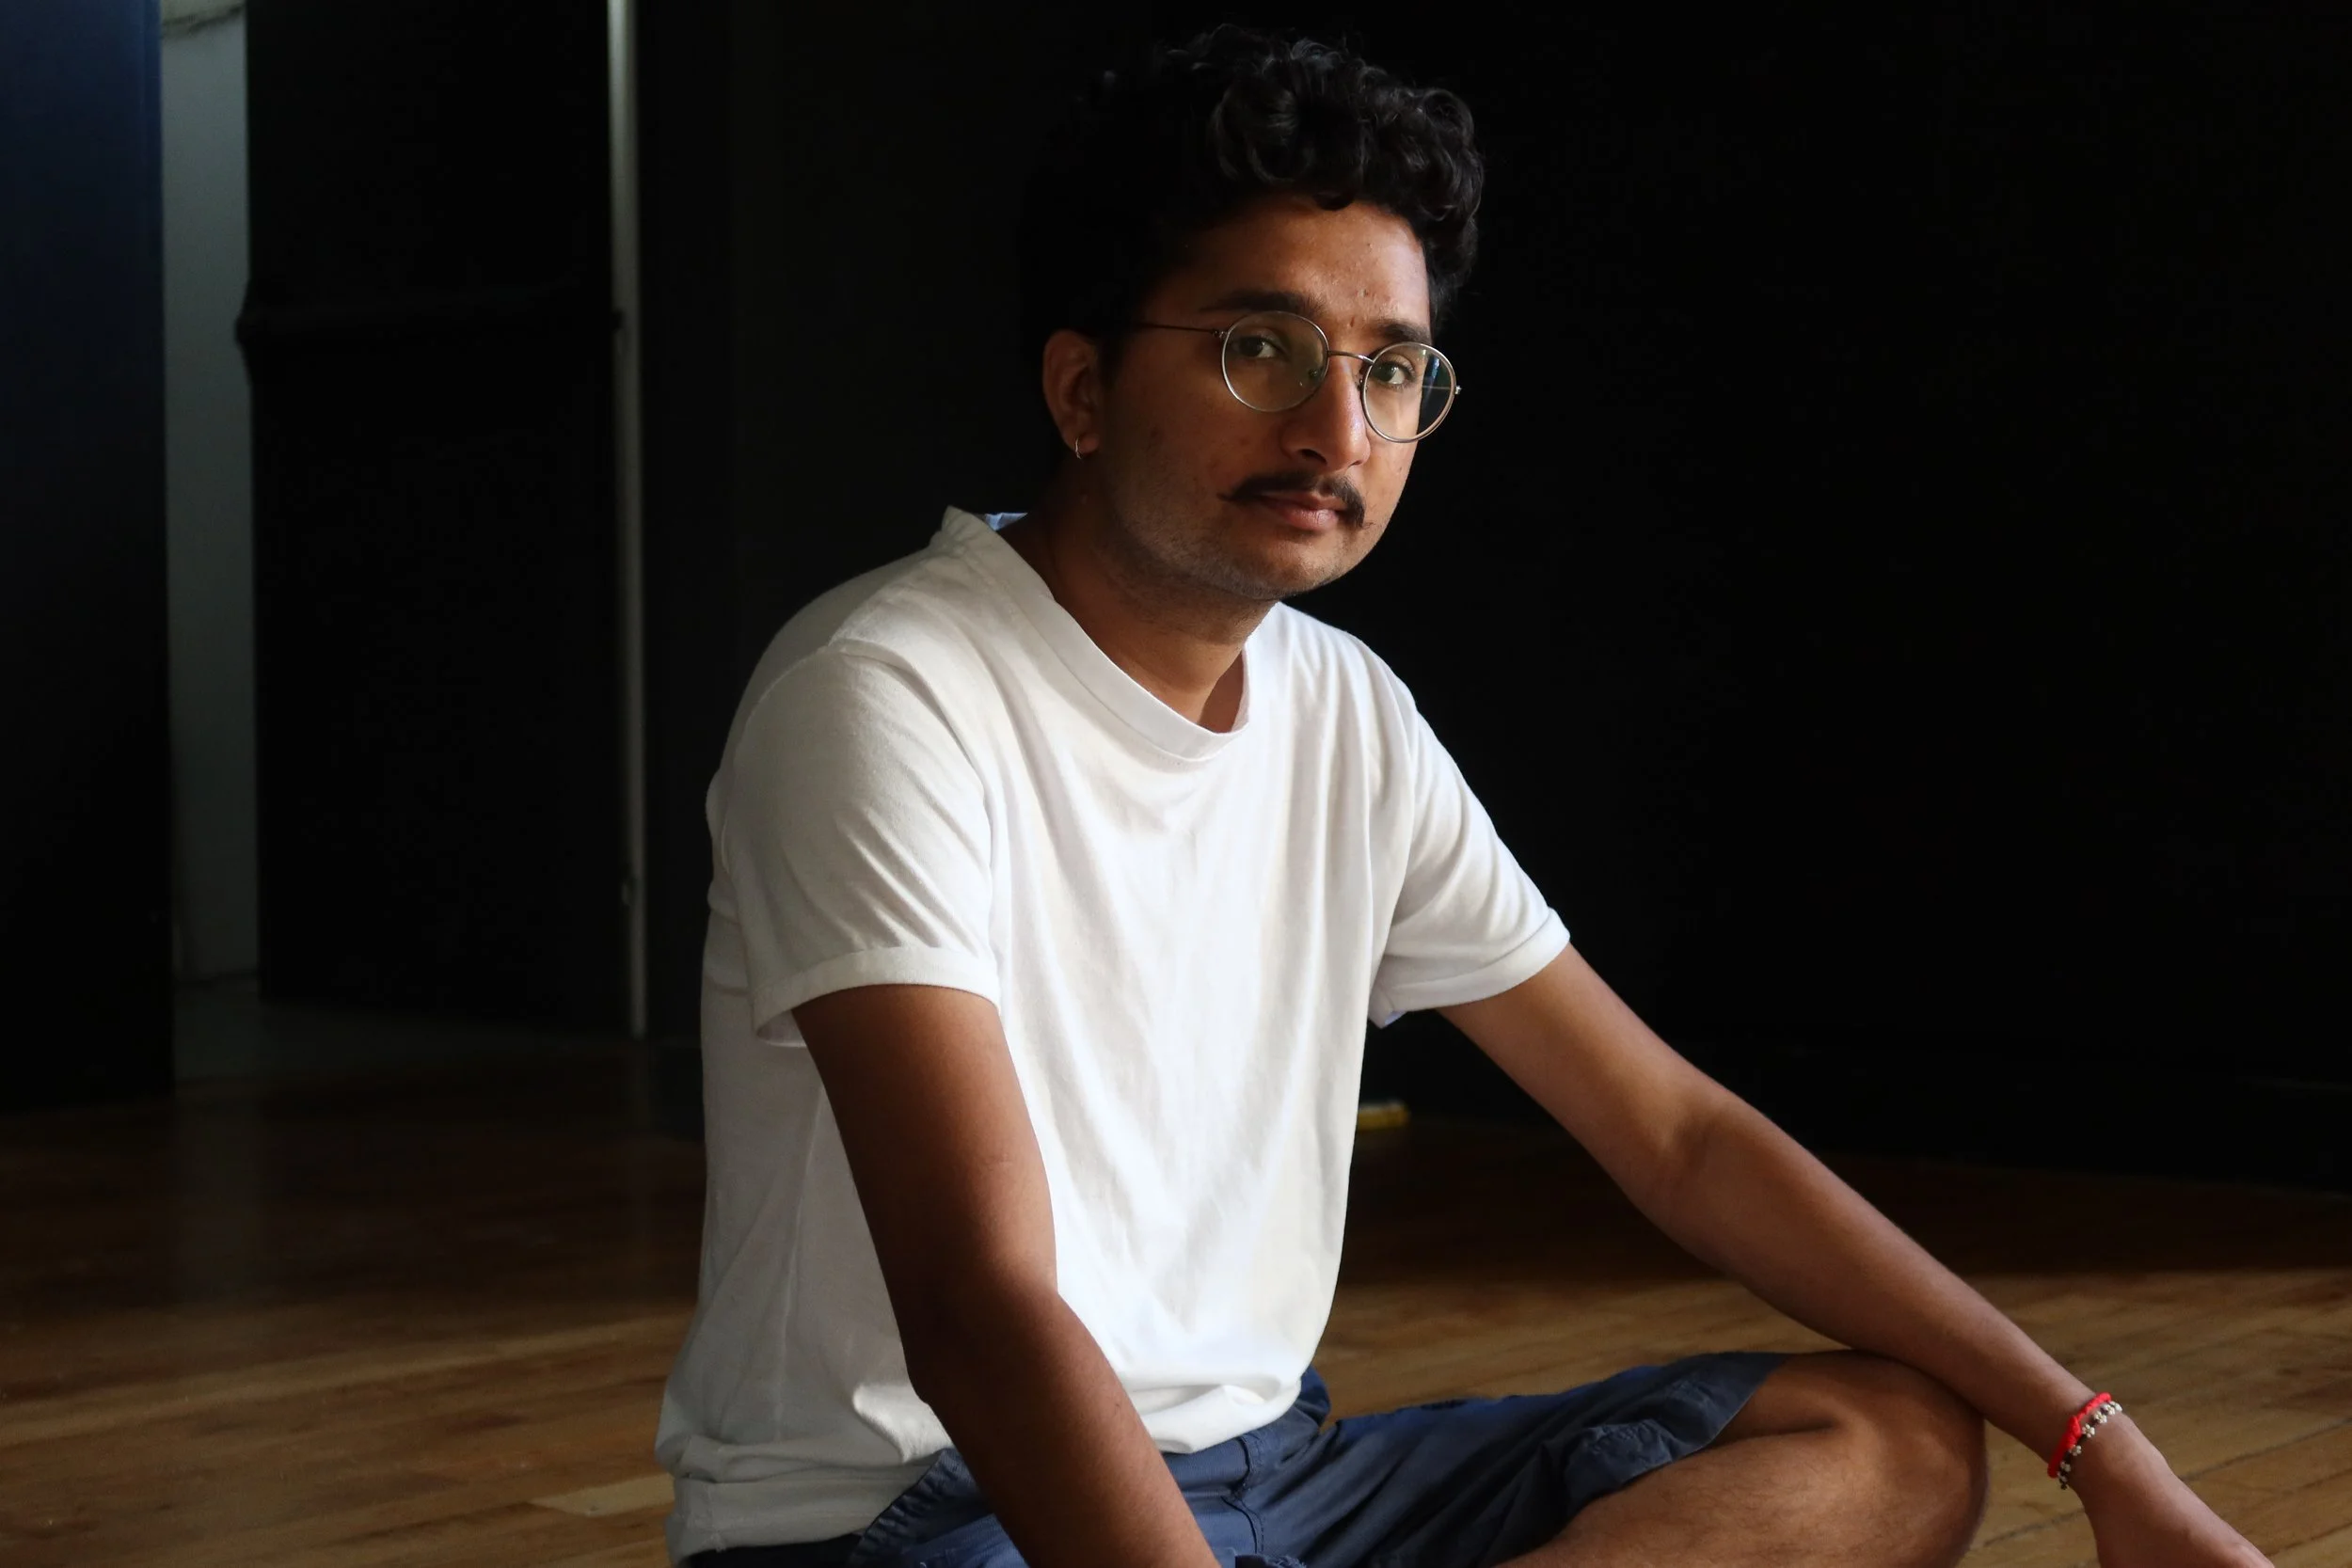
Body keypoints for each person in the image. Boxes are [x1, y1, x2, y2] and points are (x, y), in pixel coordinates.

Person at [656, 26, 2271, 1568]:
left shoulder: (1346, 711)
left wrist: (2103, 1448)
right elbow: (977, 1300)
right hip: (923, 1512)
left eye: (1393, 368)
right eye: (1261, 349)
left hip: (1280, 1472)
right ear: (1080, 390)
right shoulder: (886, 692)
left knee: (1892, 1442)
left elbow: (1679, 1135)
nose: (1333, 430)